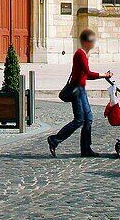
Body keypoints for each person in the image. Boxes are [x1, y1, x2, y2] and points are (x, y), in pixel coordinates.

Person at [48, 28, 112, 158]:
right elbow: (88, 73)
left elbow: (86, 76)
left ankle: (86, 149)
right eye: (91, 41)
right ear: (85, 42)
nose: (93, 44)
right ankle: (54, 140)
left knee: (88, 119)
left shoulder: (83, 54)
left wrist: (102, 76)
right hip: (76, 90)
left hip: (81, 89)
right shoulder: (80, 54)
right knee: (79, 120)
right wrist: (104, 74)